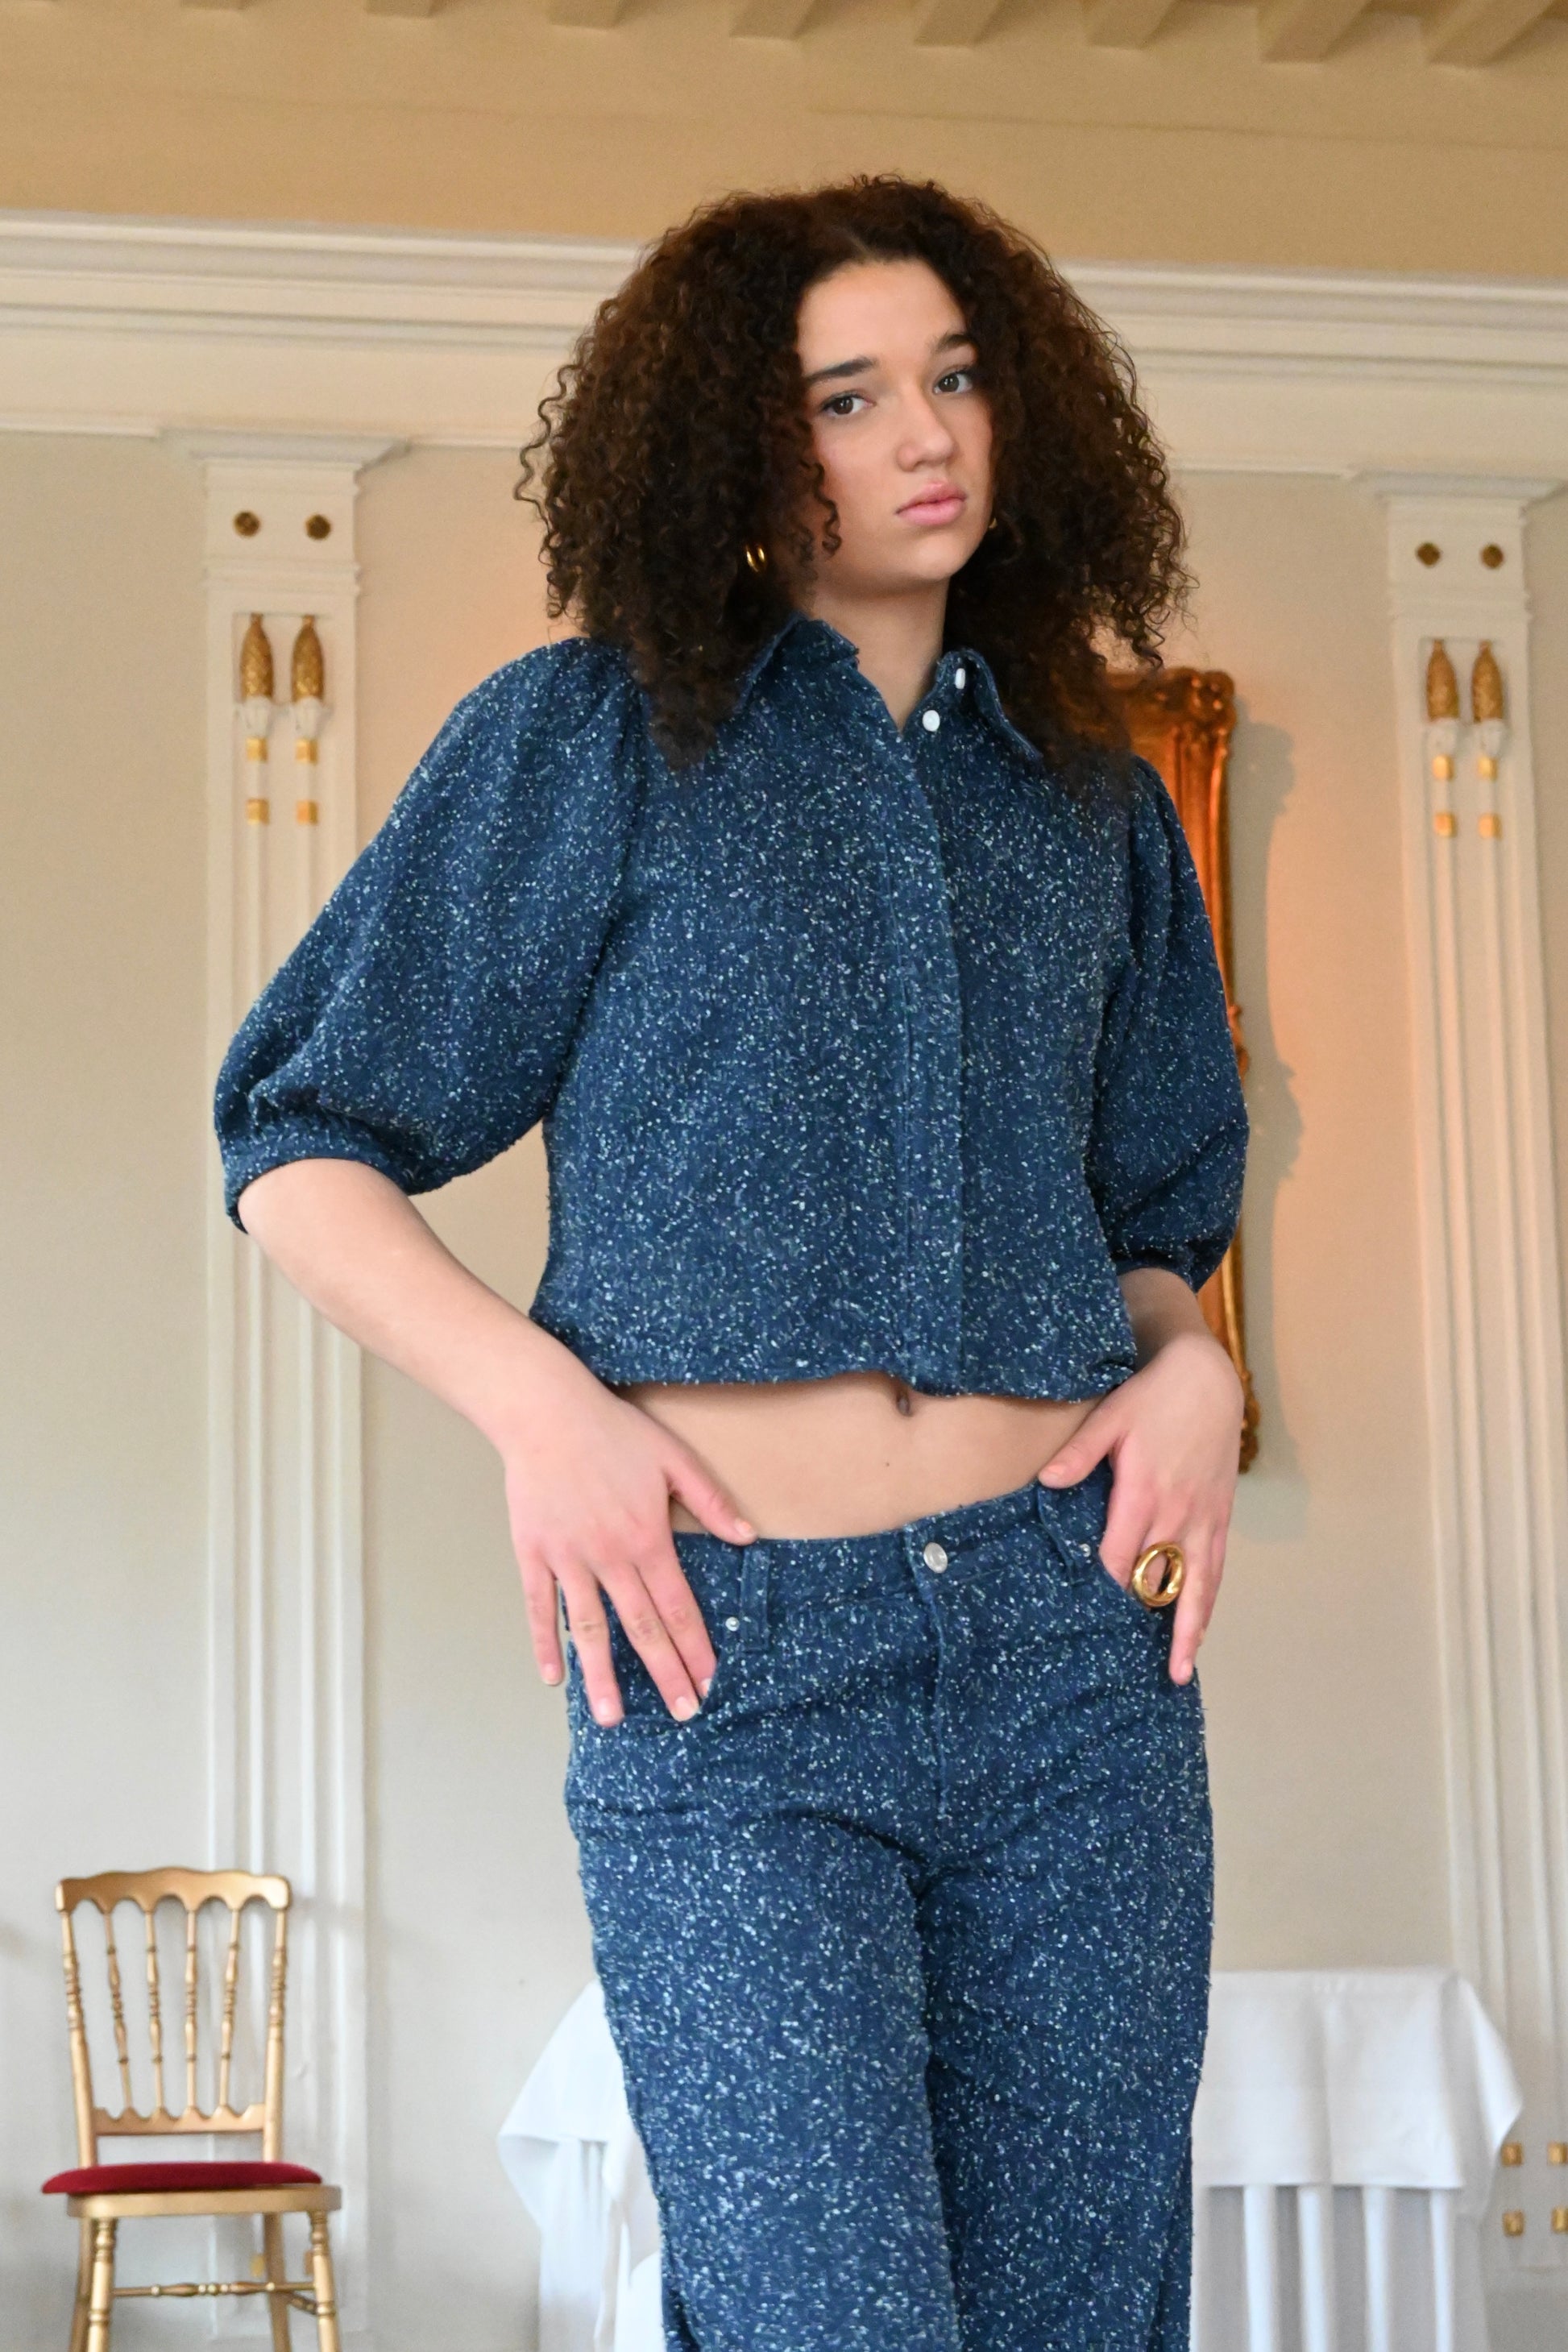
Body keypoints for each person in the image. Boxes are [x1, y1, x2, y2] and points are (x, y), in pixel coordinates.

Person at [215, 175, 1248, 2352]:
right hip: (729, 1663)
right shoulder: (586, 738)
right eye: (847, 397)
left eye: (954, 376)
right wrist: (542, 1411)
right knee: (818, 2316)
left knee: (1085, 2318)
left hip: (1077, 1663)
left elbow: (1158, 1216)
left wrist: (1194, 1370)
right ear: (733, 450)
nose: (924, 435)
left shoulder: (1094, 803)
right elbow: (298, 1142)